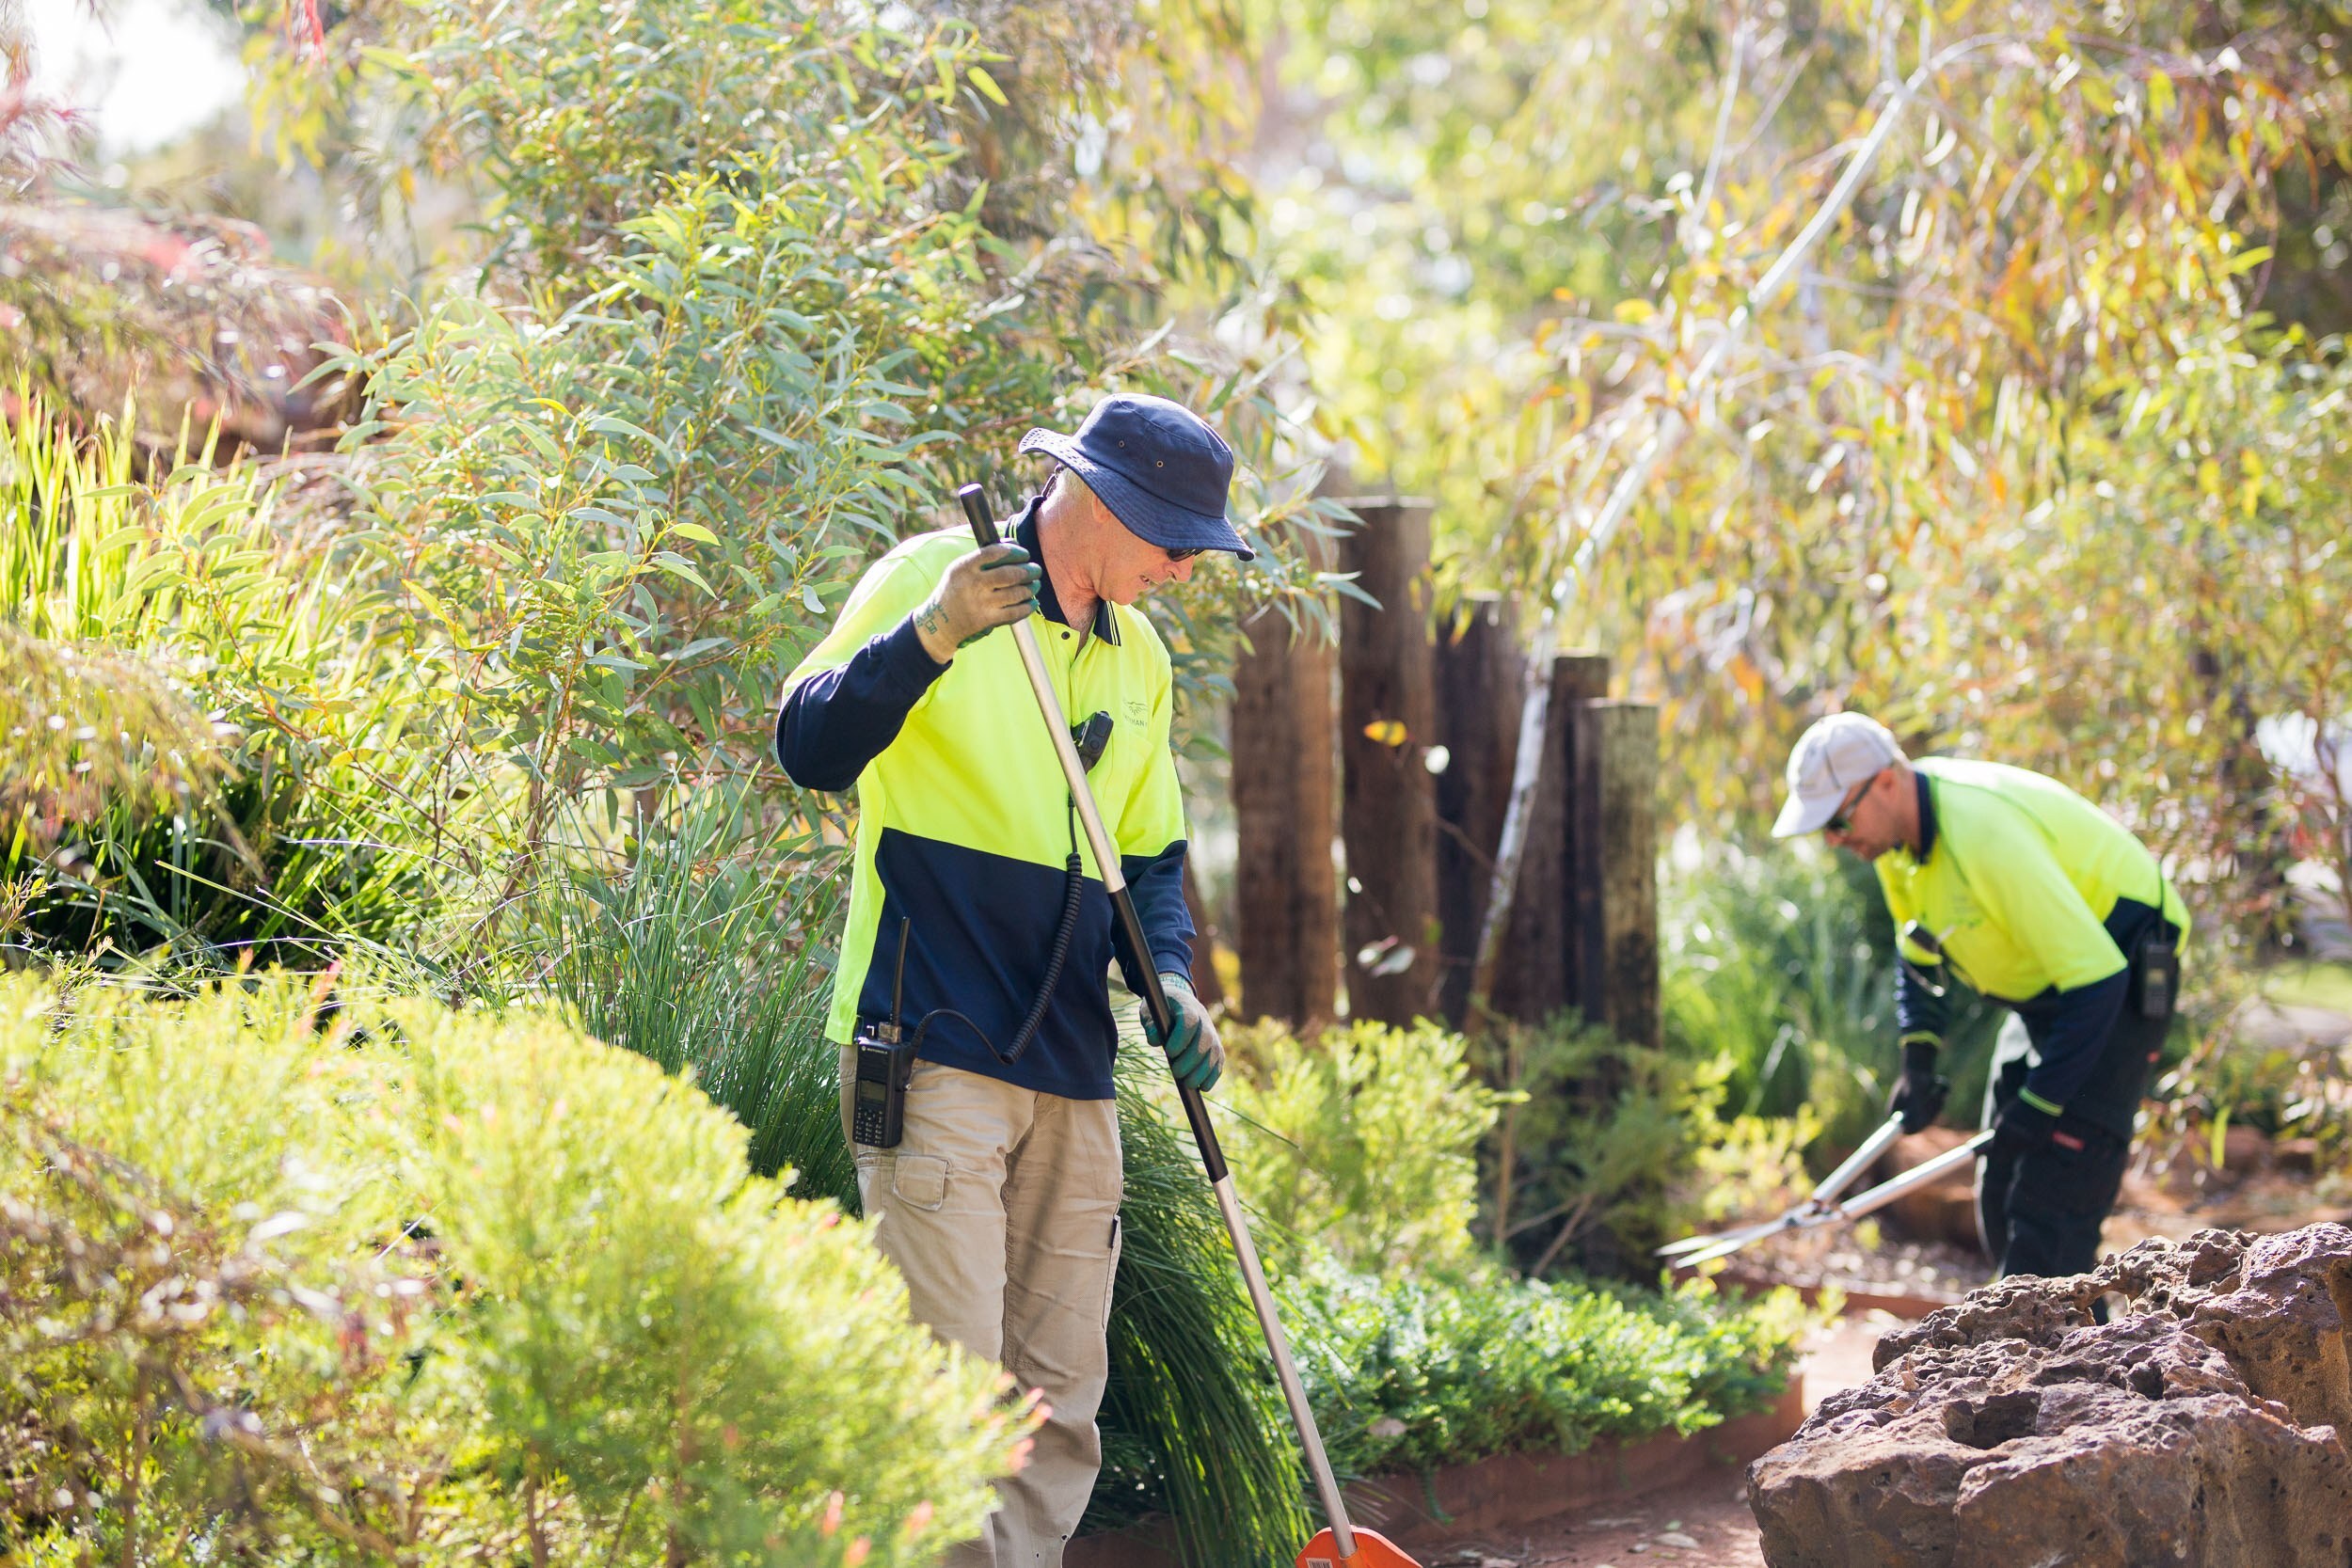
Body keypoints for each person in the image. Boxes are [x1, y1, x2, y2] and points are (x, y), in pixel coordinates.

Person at [773, 392, 1245, 1567]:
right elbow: (807, 746)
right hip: (929, 1042)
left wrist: (1173, 983)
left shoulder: (1137, 657)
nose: (1187, 564)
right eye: (1175, 538)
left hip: (1072, 1066)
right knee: (945, 1389)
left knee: (1055, 1400)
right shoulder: (939, 577)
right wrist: (932, 635)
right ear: (1101, 504)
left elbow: (1149, 862)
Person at [1772, 713, 2187, 1280]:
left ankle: (2072, 1359)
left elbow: (2099, 981)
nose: (1835, 839)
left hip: (2122, 969)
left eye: (1839, 819)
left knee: (2050, 1202)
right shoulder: (1896, 844)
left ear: (1888, 781)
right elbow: (1916, 951)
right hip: (2053, 987)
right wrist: (1917, 1062)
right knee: (2000, 1186)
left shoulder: (1982, 834)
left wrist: (2042, 1106)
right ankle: (2081, 1343)